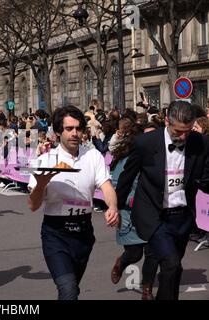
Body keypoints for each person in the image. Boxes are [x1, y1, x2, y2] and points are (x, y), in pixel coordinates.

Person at [116, 101, 209, 300]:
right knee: (170, 262)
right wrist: (115, 207)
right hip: (154, 215)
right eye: (178, 131)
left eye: (187, 131)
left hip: (182, 217)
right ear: (167, 121)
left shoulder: (201, 142)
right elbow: (126, 178)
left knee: (174, 267)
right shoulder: (145, 143)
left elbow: (205, 179)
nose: (183, 137)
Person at [27, 106, 119, 300]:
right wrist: (41, 185)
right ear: (58, 131)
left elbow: (107, 186)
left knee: (71, 289)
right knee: (68, 289)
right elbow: (33, 206)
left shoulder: (93, 156)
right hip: (56, 234)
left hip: (83, 232)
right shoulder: (45, 160)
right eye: (69, 129)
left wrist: (112, 207)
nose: (75, 133)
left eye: (78, 128)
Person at [109, 123, 159, 300]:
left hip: (153, 214)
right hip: (129, 213)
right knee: (135, 253)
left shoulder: (161, 159)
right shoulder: (127, 159)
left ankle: (147, 290)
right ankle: (122, 262)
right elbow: (115, 185)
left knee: (153, 253)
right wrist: (132, 199)